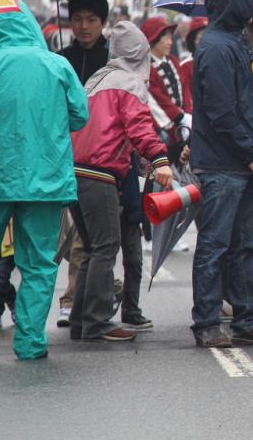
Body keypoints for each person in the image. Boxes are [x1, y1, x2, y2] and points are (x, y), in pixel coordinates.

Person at [0, 2, 89, 359]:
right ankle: (29, 342)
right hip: (46, 177)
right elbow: (80, 116)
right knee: (39, 263)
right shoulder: (58, 65)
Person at [190, 0, 253, 348]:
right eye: (248, 6)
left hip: (247, 163)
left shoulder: (236, 40)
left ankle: (248, 318)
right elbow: (221, 112)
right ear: (234, 4)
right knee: (215, 245)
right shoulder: (215, 47)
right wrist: (252, 155)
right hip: (224, 165)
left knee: (248, 245)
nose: (252, 14)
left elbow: (252, 93)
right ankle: (207, 323)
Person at [69, 22, 174, 342]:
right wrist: (160, 159)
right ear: (139, 52)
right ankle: (98, 321)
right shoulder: (129, 81)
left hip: (75, 171)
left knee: (92, 248)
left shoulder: (97, 79)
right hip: (100, 173)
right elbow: (139, 125)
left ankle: (81, 321)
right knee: (105, 246)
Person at [56, 0, 112, 327]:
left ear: (104, 22)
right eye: (77, 19)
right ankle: (79, 303)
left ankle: (113, 300)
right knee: (81, 238)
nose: (84, 26)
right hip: (70, 157)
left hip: (109, 161)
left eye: (91, 19)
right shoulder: (61, 60)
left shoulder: (114, 58)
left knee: (110, 241)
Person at [141, 16, 193, 155]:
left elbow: (185, 88)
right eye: (167, 38)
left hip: (182, 125)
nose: (171, 42)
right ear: (154, 39)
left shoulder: (174, 61)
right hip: (163, 129)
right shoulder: (147, 68)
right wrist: (180, 118)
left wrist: (187, 114)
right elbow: (158, 98)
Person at [178, 16, 208, 94]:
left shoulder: (218, 63)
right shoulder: (185, 67)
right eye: (201, 37)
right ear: (193, 39)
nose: (205, 42)